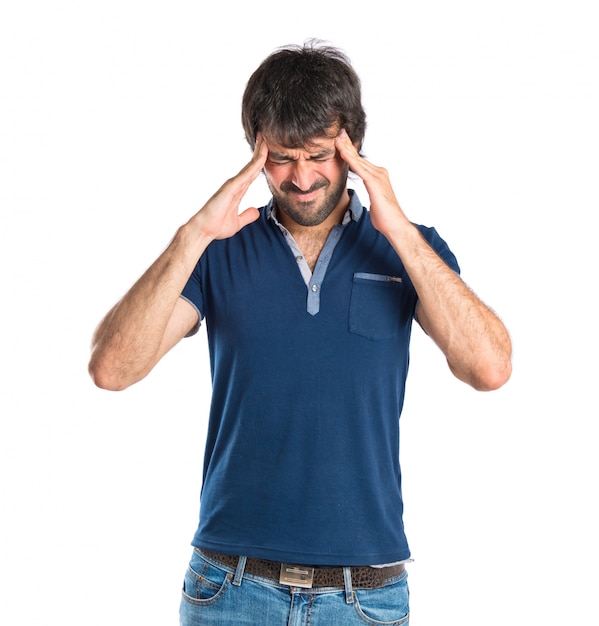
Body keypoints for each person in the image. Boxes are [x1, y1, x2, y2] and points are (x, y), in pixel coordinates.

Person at [89, 40, 512, 626]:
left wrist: (400, 231)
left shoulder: (411, 251)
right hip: (229, 587)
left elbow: (488, 368)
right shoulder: (217, 251)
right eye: (282, 158)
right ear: (256, 154)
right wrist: (191, 236)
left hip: (365, 596)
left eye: (319, 155)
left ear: (353, 147)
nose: (302, 178)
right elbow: (112, 370)